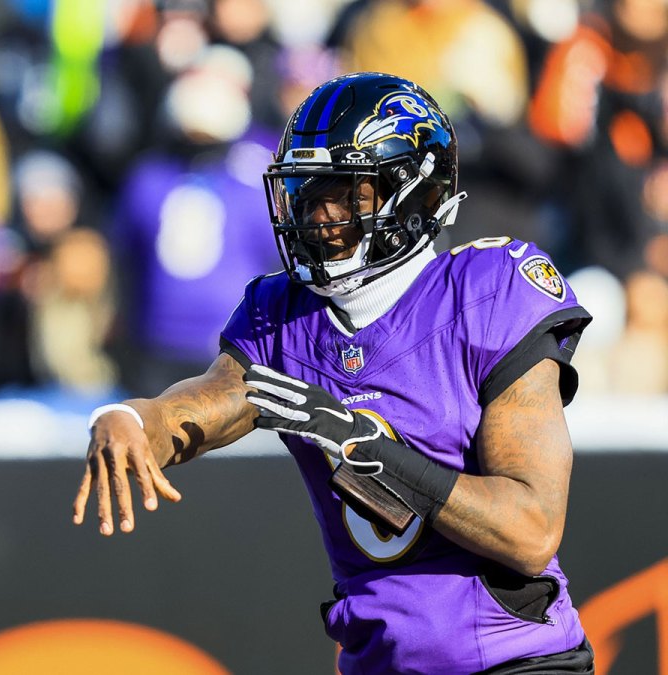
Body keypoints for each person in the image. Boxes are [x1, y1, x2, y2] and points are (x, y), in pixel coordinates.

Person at [72, 72, 595, 674]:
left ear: (415, 191)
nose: (319, 215)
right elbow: (209, 402)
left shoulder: (486, 290)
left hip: (512, 659)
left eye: (346, 193)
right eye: (307, 192)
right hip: (379, 662)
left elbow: (530, 530)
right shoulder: (283, 315)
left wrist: (369, 450)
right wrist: (134, 416)